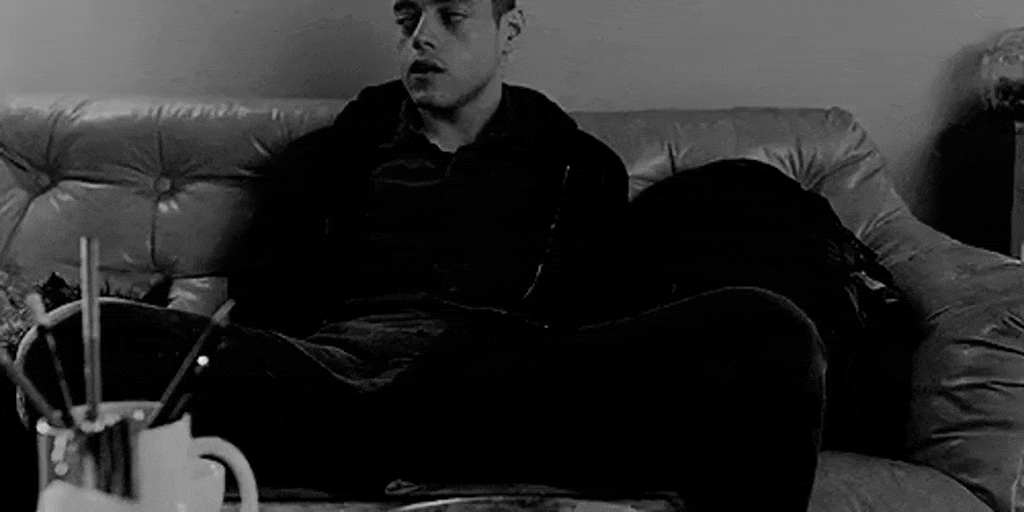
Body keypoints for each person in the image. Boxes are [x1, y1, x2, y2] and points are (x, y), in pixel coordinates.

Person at [14, 1, 827, 511]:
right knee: (66, 342)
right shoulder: (324, 161)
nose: (421, 38)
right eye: (407, 19)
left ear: (509, 30)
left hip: (503, 383)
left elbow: (591, 313)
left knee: (769, 333)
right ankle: (394, 446)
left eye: (451, 15)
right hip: (327, 382)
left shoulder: (578, 168)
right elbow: (267, 299)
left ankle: (408, 444)